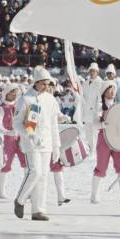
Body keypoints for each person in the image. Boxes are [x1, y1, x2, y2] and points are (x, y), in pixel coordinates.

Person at [13, 66, 61, 221]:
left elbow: (54, 124)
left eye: (48, 83)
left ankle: (38, 210)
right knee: (35, 172)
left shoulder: (51, 99)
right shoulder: (25, 99)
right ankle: (20, 200)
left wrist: (56, 146)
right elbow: (17, 123)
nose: (47, 87)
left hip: (46, 142)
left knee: (43, 176)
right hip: (31, 143)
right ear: (36, 82)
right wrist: (29, 134)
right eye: (44, 83)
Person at [91, 81, 120, 205]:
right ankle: (94, 194)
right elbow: (94, 123)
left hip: (117, 138)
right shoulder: (100, 106)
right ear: (104, 91)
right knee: (101, 166)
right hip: (104, 139)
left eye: (113, 89)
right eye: (109, 89)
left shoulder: (119, 105)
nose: (112, 92)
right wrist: (102, 124)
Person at [0, 83, 24, 199]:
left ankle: (27, 190)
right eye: (13, 91)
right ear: (7, 93)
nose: (15, 93)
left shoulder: (20, 106)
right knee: (6, 164)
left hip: (21, 137)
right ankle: (1, 191)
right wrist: (7, 132)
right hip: (8, 139)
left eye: (16, 91)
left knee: (27, 163)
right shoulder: (1, 107)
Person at [47, 78, 71, 206]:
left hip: (53, 139)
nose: (50, 88)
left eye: (52, 86)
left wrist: (63, 118)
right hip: (41, 140)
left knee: (57, 166)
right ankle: (30, 193)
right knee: (38, 170)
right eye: (48, 86)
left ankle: (61, 196)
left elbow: (58, 116)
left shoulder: (54, 101)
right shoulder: (37, 100)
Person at [82, 63, 103, 157]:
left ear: (97, 72)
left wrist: (99, 112)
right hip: (86, 112)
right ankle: (89, 150)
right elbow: (83, 96)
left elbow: (100, 99)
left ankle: (94, 152)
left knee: (94, 133)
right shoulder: (86, 82)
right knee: (87, 133)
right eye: (90, 71)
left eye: (93, 71)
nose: (92, 73)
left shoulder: (100, 83)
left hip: (94, 112)